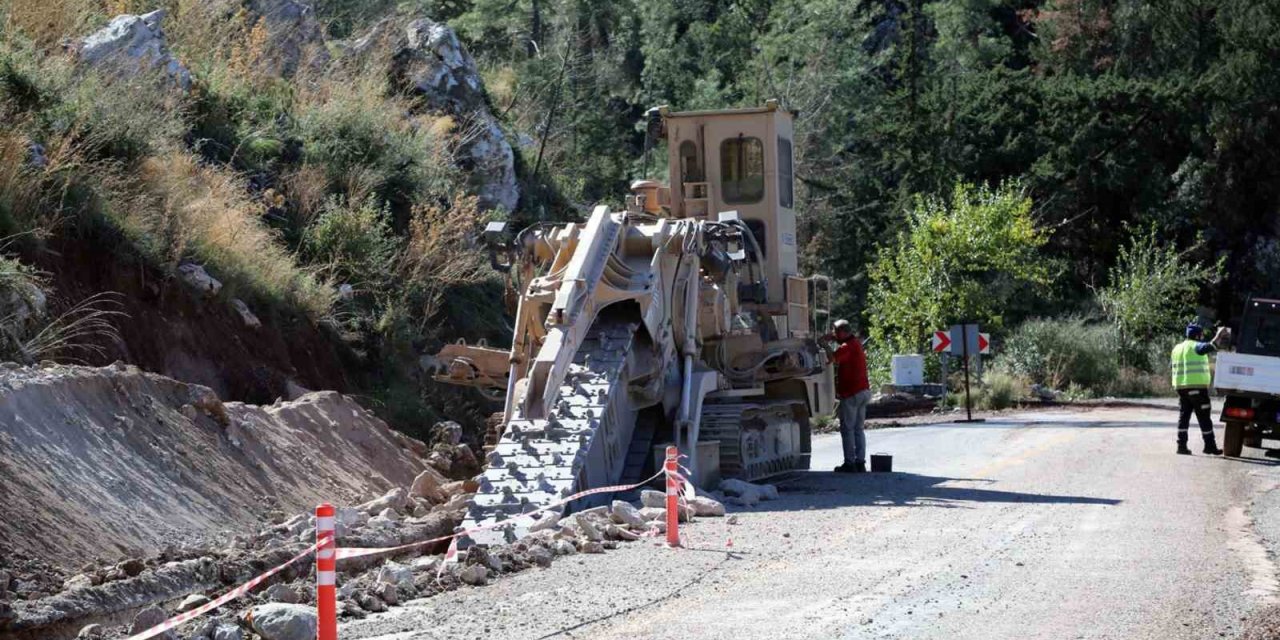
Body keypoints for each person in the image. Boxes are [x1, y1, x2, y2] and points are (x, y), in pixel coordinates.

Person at [821, 319, 871, 473]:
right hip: (863, 391)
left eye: (836, 332)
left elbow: (832, 358)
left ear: (842, 332)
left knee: (847, 429)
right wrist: (834, 338)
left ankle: (850, 463)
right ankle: (860, 461)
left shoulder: (846, 347)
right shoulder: (855, 343)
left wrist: (824, 344)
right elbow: (843, 341)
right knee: (858, 428)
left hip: (852, 393)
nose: (834, 335)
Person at [1171, 322, 1228, 455]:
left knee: (1183, 417)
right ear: (1197, 335)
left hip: (1181, 388)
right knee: (1204, 417)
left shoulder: (1177, 348)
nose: (1202, 337)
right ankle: (1210, 446)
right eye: (1201, 335)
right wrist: (1218, 335)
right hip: (1196, 388)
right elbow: (1211, 346)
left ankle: (1181, 446)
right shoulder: (1195, 346)